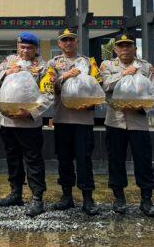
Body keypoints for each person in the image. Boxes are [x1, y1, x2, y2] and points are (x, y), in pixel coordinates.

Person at [0, 31, 49, 217]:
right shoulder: (9, 61)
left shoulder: (43, 68)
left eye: (29, 48)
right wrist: (8, 71)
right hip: (7, 121)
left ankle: (37, 197)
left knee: (33, 160)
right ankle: (16, 193)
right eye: (22, 47)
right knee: (12, 158)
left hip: (29, 124)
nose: (25, 51)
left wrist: (30, 112)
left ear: (36, 49)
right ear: (17, 47)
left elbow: (48, 95)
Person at [99, 33, 154, 217]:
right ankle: (119, 197)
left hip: (138, 120)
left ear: (135, 48)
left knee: (144, 161)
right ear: (115, 49)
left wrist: (145, 109)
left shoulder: (146, 66)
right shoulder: (107, 65)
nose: (124, 49)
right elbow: (104, 86)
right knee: (116, 160)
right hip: (115, 120)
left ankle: (146, 199)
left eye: (128, 45)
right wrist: (123, 74)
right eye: (121, 46)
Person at [45, 28, 102, 215]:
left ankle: (88, 198)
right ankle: (66, 196)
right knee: (64, 159)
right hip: (62, 118)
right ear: (59, 44)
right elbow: (48, 86)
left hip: (84, 119)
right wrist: (65, 76)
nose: (68, 43)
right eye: (64, 40)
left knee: (84, 159)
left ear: (77, 42)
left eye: (71, 40)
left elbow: (98, 85)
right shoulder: (53, 63)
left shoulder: (89, 62)